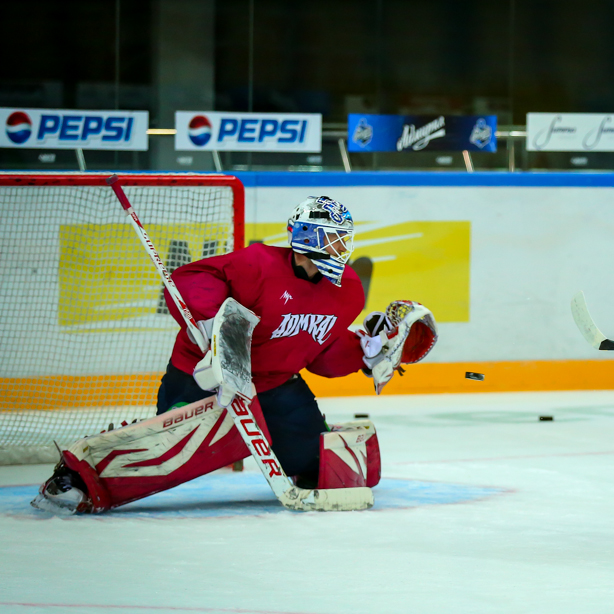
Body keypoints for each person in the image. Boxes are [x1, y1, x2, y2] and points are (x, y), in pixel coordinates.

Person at [34, 195, 436, 513]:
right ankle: (79, 473)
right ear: (306, 239)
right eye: (331, 237)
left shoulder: (347, 290)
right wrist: (211, 324)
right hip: (203, 376)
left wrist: (363, 354)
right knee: (166, 455)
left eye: (343, 238)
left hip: (276, 387)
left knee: (313, 461)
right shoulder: (257, 264)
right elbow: (191, 277)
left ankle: (299, 454)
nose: (341, 246)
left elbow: (320, 354)